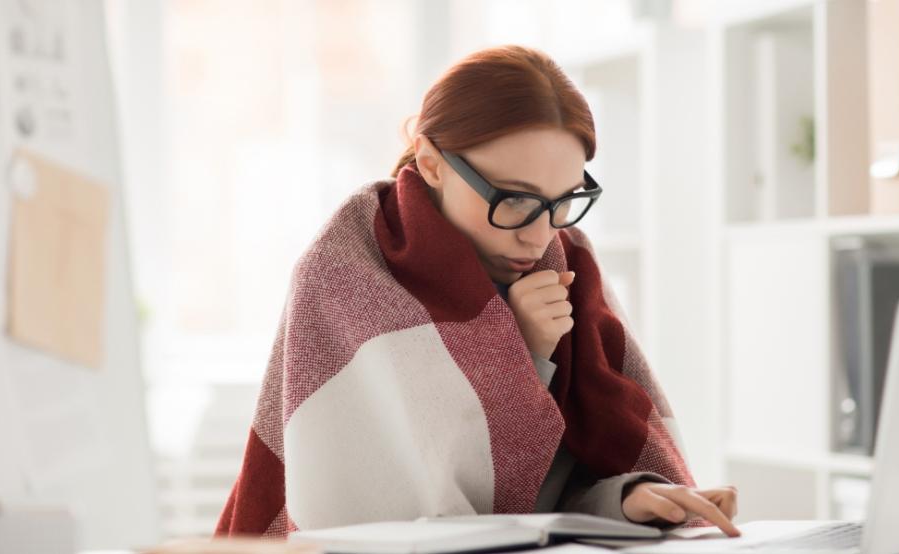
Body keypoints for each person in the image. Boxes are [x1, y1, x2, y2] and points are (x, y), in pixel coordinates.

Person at [216, 44, 739, 539]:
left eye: (563, 201)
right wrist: (525, 352)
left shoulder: (569, 262)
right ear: (431, 162)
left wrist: (631, 498)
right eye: (514, 199)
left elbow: (542, 503)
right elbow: (420, 514)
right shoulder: (347, 274)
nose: (538, 234)